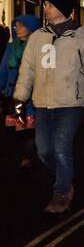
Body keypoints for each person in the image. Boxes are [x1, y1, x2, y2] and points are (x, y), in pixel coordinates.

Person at [12, 0, 84, 213]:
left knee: (61, 149)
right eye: (45, 5)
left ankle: (61, 193)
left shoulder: (82, 37)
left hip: (70, 104)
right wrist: (19, 98)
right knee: (44, 151)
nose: (46, 9)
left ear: (64, 9)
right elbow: (27, 70)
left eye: (50, 5)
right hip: (43, 104)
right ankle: (66, 177)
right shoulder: (38, 38)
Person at [2, 15, 40, 169]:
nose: (17, 29)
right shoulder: (12, 47)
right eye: (15, 26)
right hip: (12, 93)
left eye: (21, 26)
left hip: (33, 95)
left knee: (29, 129)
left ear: (31, 29)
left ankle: (27, 158)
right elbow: (3, 70)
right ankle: (21, 156)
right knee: (15, 128)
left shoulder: (39, 47)